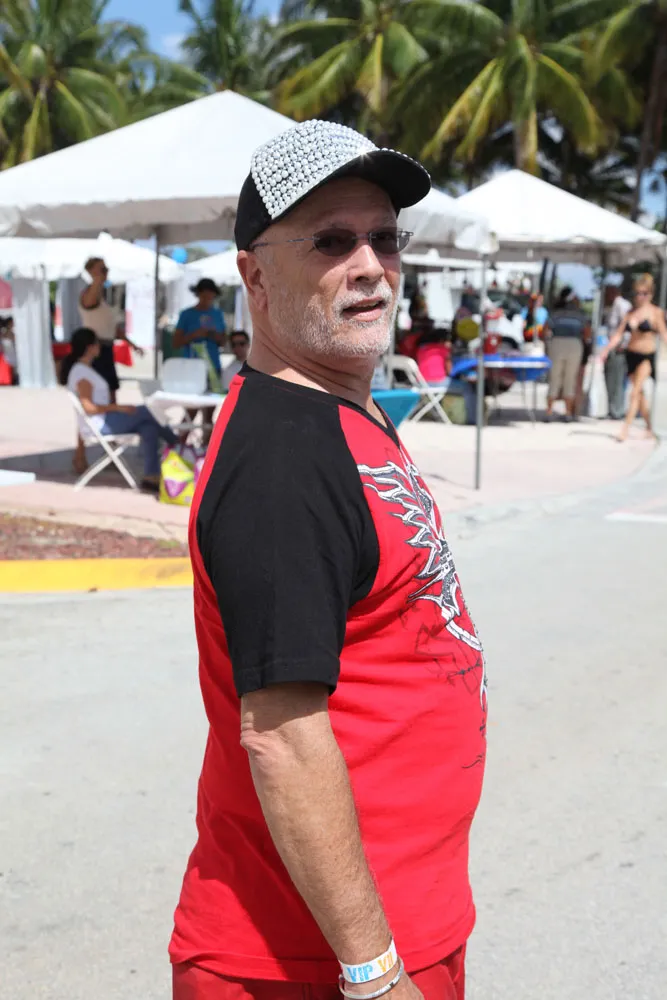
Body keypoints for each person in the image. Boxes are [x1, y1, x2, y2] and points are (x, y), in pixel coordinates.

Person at [170, 120, 487, 1000]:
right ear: (254, 276)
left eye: (384, 238)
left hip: (394, 923)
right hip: (302, 960)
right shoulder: (282, 457)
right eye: (331, 241)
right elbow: (281, 736)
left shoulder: (341, 412)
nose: (370, 266)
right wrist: (374, 975)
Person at [61, 327, 176, 491]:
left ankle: (152, 476)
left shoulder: (85, 369)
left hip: (104, 420)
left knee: (149, 427)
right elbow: (89, 408)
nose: (100, 347)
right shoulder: (81, 373)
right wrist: (118, 407)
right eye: (97, 343)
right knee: (148, 411)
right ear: (90, 347)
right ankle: (178, 444)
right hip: (101, 424)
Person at [77, 257, 144, 473]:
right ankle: (80, 455)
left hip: (105, 351)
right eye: (102, 269)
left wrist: (131, 344)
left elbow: (113, 329)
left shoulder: (102, 296)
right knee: (88, 402)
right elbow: (90, 302)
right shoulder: (89, 294)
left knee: (111, 398)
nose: (105, 272)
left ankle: (110, 452)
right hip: (94, 352)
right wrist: (97, 278)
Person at [601, 273, 667, 441]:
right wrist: (606, 350)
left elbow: (664, 334)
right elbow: (618, 334)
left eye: (644, 293)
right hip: (631, 355)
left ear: (650, 294)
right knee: (640, 395)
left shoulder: (656, 312)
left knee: (634, 392)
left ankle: (625, 429)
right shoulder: (630, 312)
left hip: (647, 356)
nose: (640, 297)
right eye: (638, 293)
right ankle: (649, 427)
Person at [174, 278, 227, 440]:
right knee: (191, 410)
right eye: (204, 295)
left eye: (210, 296)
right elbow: (176, 342)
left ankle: (206, 450)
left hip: (213, 367)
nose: (207, 299)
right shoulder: (187, 314)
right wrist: (194, 335)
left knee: (210, 412)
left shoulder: (218, 314)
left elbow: (224, 341)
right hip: (192, 369)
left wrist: (213, 335)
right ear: (198, 294)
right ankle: (178, 446)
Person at [545, 287, 591, 421]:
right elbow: (587, 333)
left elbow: (545, 330)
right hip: (574, 345)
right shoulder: (579, 315)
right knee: (570, 379)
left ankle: (549, 411)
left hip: (557, 344)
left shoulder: (556, 314)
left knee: (554, 377)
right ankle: (568, 413)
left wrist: (547, 345)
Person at [602, 285, 632, 420]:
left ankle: (617, 411)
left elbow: (627, 327)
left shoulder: (622, 305)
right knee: (610, 379)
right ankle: (612, 409)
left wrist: (623, 345)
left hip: (619, 349)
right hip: (612, 348)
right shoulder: (612, 306)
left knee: (618, 381)